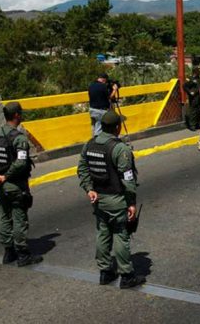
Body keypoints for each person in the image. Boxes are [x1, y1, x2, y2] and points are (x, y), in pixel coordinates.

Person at [77, 110, 145, 289]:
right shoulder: (120, 149)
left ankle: (105, 272)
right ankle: (126, 275)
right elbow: (128, 179)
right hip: (116, 199)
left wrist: (89, 189)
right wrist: (131, 203)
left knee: (102, 233)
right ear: (117, 127)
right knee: (121, 235)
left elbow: (82, 168)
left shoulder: (90, 144)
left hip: (99, 198)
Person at [0, 102, 42, 266]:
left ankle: (9, 252)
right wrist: (6, 176)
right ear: (16, 115)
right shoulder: (19, 138)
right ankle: (22, 254)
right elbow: (21, 163)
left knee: (5, 217)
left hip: (0, 185)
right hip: (15, 184)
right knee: (19, 217)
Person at [184, 66, 200, 131]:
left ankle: (198, 124)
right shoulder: (190, 78)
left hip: (198, 96)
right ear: (196, 71)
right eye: (199, 71)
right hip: (193, 97)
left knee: (198, 110)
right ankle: (192, 125)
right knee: (193, 111)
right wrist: (190, 92)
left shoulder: (198, 78)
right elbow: (185, 86)